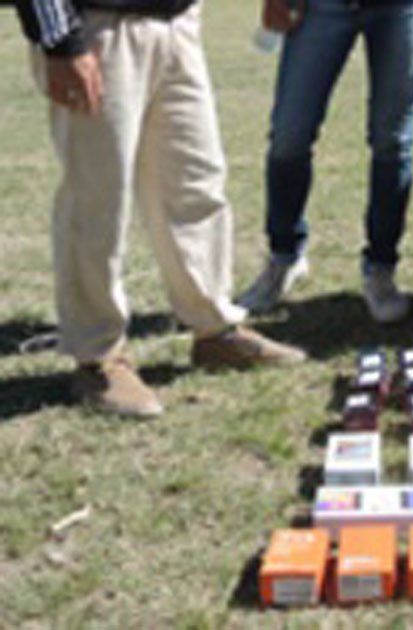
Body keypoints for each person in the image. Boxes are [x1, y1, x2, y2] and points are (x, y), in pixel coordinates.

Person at [16, 0, 307, 418]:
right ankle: (98, 358)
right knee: (97, 198)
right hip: (98, 26)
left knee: (197, 185)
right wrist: (61, 43)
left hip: (177, 24)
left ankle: (215, 331)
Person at [236, 0, 413, 323]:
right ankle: (284, 257)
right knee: (289, 136)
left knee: (392, 143)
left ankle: (381, 269)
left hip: (402, 9)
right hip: (321, 7)